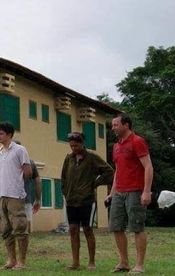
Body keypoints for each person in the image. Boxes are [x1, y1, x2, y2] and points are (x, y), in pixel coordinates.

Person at [107, 114, 154, 274]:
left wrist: (146, 191)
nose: (113, 128)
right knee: (116, 227)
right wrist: (112, 192)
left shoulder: (137, 141)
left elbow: (148, 166)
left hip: (135, 191)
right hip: (119, 191)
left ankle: (139, 265)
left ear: (126, 125)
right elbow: (118, 170)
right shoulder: (116, 146)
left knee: (137, 227)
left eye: (115, 125)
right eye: (112, 125)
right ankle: (124, 262)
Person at [61, 132, 115, 271]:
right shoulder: (68, 159)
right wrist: (65, 191)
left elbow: (109, 172)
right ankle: (75, 262)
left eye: (76, 145)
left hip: (87, 200)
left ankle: (91, 262)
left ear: (82, 144)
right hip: (71, 200)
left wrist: (95, 183)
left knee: (87, 229)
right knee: (73, 230)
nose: (74, 148)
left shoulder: (92, 158)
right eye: (71, 146)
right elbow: (64, 177)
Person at [0, 122, 32, 270]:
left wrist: (18, 184)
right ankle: (11, 260)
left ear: (9, 135)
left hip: (15, 194)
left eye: (1, 133)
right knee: (5, 228)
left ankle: (22, 261)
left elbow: (27, 172)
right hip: (1, 194)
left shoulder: (20, 150)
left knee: (19, 227)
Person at [15, 141, 41, 233]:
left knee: (13, 222)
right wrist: (37, 199)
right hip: (26, 198)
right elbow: (38, 181)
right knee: (27, 221)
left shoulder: (7, 161)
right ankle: (25, 242)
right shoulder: (30, 162)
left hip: (12, 198)